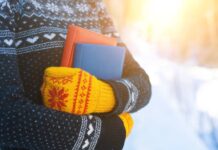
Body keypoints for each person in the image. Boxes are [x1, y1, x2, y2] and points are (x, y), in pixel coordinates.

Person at [0, 0, 151, 149]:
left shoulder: (94, 5)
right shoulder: (7, 5)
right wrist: (105, 134)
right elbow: (6, 115)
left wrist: (101, 96)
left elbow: (142, 84)